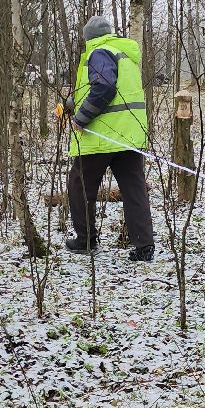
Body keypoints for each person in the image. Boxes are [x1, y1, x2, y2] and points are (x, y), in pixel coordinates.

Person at [63, 15, 154, 261]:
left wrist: (81, 118)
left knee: (79, 186)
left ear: (88, 38)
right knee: (134, 189)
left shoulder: (98, 52)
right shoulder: (123, 53)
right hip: (129, 135)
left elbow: (104, 88)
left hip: (102, 136)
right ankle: (144, 247)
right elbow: (104, 87)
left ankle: (85, 241)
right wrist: (72, 104)